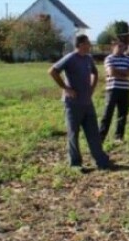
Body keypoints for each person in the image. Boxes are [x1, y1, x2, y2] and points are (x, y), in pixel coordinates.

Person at [48, 35, 113, 171]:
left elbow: (95, 73)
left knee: (93, 133)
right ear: (81, 44)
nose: (90, 45)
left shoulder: (88, 58)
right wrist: (66, 88)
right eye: (88, 43)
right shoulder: (71, 58)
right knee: (73, 134)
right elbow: (53, 71)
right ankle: (75, 164)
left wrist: (92, 88)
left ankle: (101, 160)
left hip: (87, 103)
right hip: (72, 104)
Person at [99, 39, 129, 143]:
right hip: (112, 89)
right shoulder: (109, 58)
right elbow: (111, 72)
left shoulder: (128, 58)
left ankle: (119, 136)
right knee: (107, 113)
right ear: (113, 47)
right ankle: (101, 136)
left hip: (125, 89)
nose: (121, 49)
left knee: (122, 114)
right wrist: (125, 74)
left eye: (123, 47)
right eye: (119, 46)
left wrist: (119, 72)